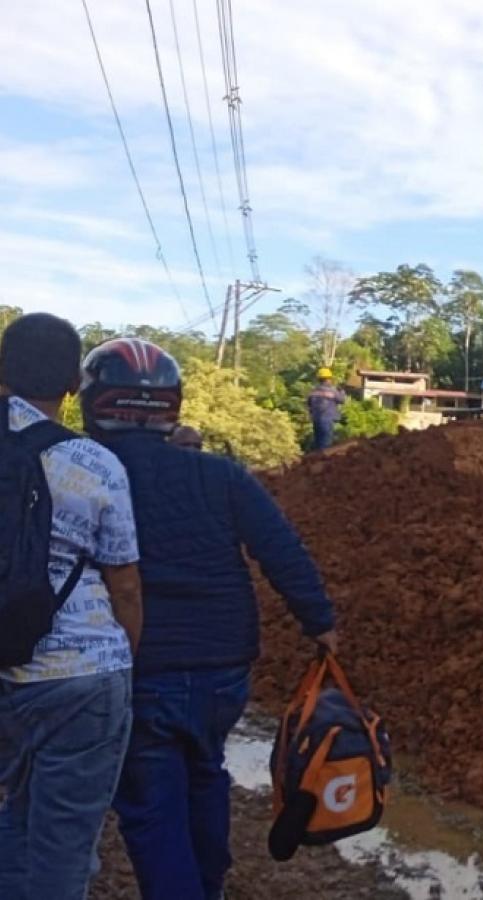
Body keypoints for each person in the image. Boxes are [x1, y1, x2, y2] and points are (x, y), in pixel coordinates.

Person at [80, 338, 337, 900]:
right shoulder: (221, 477)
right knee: (205, 773)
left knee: (151, 807)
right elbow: (281, 550)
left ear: (95, 401)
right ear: (171, 404)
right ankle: (209, 886)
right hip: (225, 667)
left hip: (139, 669)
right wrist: (320, 623)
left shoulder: (83, 478)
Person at [0, 314, 143, 900]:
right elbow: (125, 582)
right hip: (82, 675)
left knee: (16, 814)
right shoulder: (94, 463)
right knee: (62, 842)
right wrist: (124, 660)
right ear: (72, 386)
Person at [306, 367, 344, 451]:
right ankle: (323, 460)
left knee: (318, 442)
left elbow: (308, 404)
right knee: (326, 444)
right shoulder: (332, 391)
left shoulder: (313, 391)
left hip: (316, 419)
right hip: (327, 420)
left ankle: (317, 459)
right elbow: (341, 400)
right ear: (328, 379)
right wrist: (341, 391)